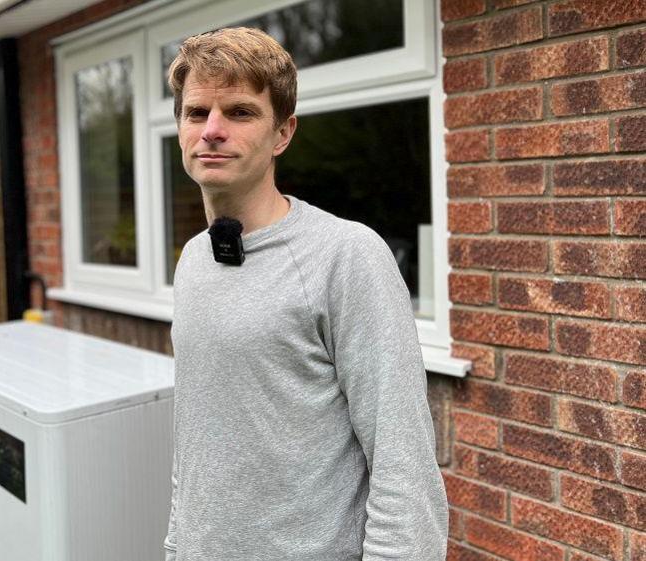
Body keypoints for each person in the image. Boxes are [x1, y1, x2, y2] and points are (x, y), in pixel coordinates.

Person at [163, 27, 448, 560]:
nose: (212, 131)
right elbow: (197, 440)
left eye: (241, 113)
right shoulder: (194, 261)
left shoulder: (347, 255)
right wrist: (177, 547)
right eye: (197, 113)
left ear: (282, 134)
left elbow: (403, 461)